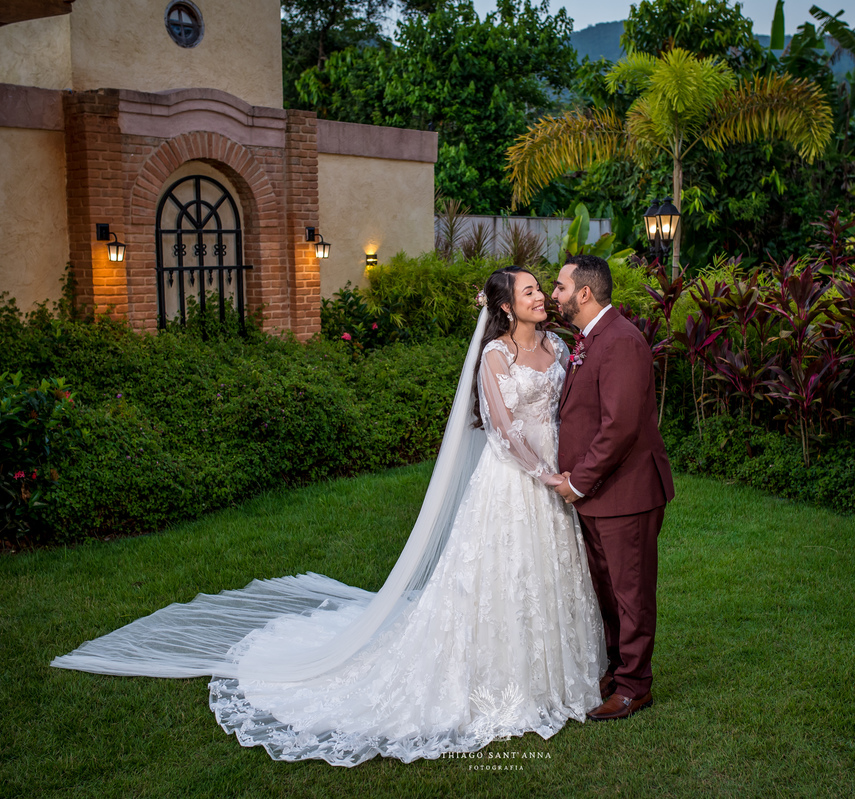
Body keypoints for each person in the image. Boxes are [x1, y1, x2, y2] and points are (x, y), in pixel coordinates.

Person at [51, 266, 606, 767]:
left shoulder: (559, 347)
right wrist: (547, 476)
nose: (540, 297)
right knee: (498, 576)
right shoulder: (495, 357)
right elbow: (503, 428)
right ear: (505, 307)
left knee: (547, 573)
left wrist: (569, 469)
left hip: (559, 472)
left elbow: (568, 409)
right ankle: (495, 679)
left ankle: (550, 678)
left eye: (540, 289)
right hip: (514, 481)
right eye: (529, 291)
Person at [549, 254, 675, 722]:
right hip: (600, 495)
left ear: (584, 293)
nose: (554, 295)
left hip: (626, 492)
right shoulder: (590, 338)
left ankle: (635, 686)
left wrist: (579, 482)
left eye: (560, 287)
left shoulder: (621, 340)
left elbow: (619, 426)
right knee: (606, 590)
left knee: (630, 592)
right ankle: (618, 670)